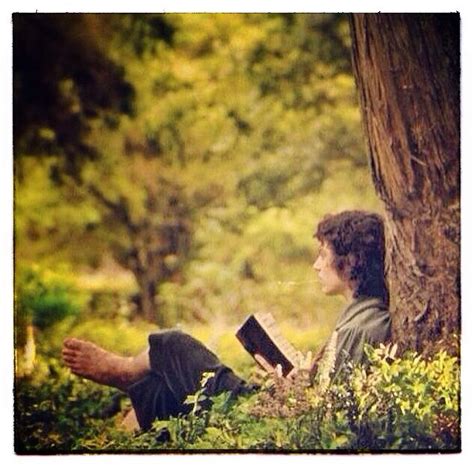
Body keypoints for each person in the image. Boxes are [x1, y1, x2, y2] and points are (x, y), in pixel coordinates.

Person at [62, 210, 391, 431]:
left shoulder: (367, 325)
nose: (316, 266)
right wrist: (298, 376)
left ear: (350, 261)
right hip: (271, 406)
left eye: (323, 254)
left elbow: (328, 413)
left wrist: (296, 386)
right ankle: (122, 421)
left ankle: (123, 371)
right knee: (160, 391)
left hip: (261, 416)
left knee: (176, 344)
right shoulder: (359, 317)